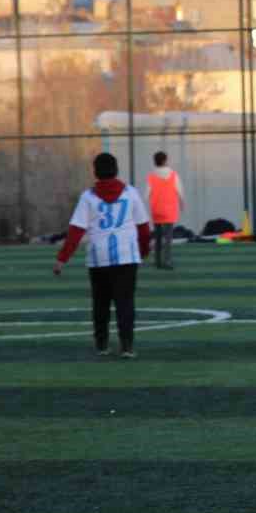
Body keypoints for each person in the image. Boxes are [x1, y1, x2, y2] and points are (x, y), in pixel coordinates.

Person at [53, 151, 151, 358]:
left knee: (101, 303)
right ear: (116, 170)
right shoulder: (131, 193)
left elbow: (76, 230)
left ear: (96, 172)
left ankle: (102, 344)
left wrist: (62, 258)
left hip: (99, 257)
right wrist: (143, 251)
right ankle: (127, 346)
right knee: (125, 302)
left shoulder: (88, 197)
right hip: (126, 256)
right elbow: (143, 227)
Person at [144, 151, 184, 270]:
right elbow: (180, 191)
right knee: (168, 238)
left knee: (158, 236)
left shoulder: (151, 176)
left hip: (156, 210)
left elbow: (146, 194)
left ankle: (157, 261)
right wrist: (182, 203)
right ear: (165, 160)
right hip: (170, 210)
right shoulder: (173, 175)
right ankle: (167, 261)